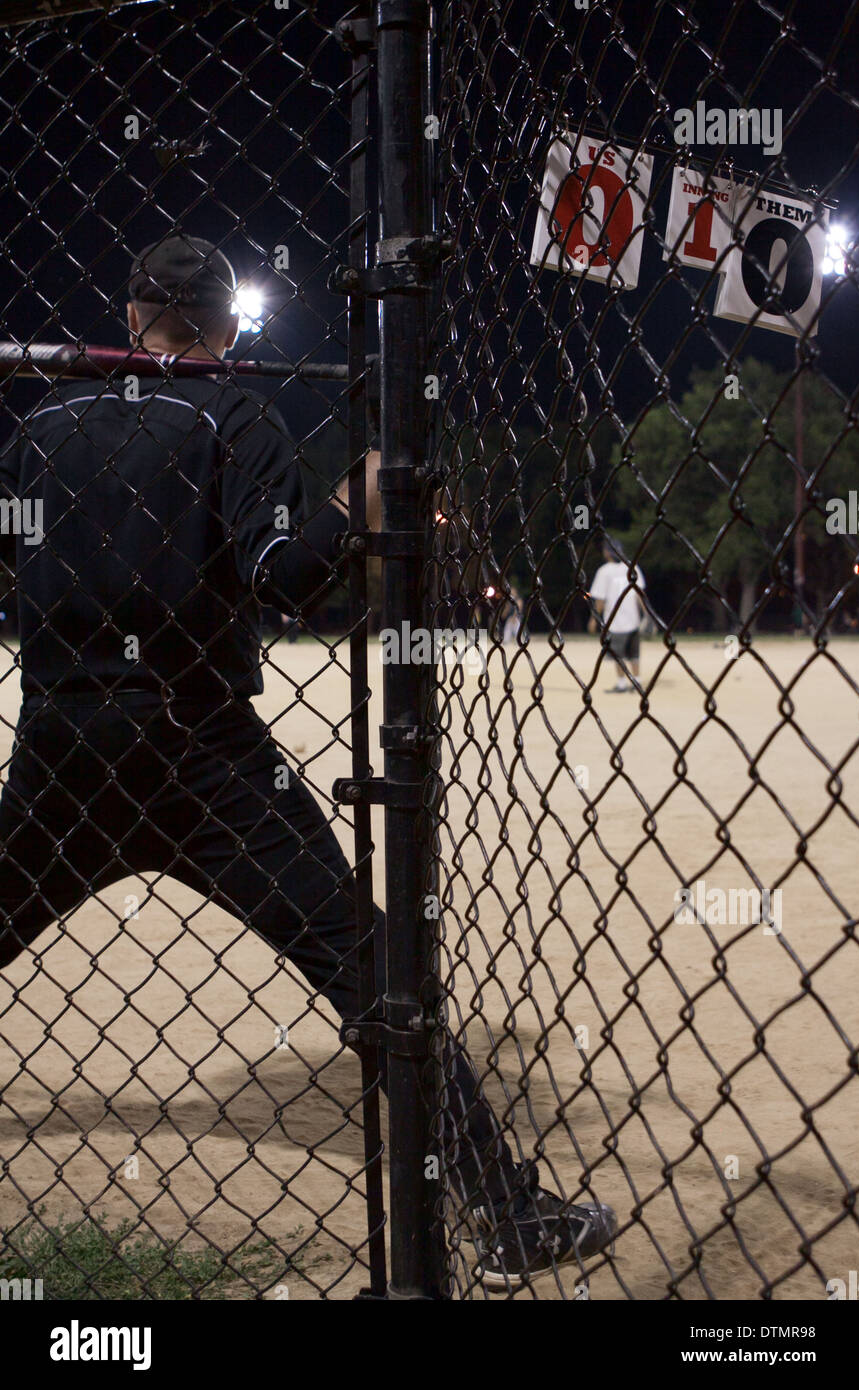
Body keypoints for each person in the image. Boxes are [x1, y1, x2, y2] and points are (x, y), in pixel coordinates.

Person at [0, 234, 615, 1289]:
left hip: (62, 744)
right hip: (204, 751)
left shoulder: (41, 424)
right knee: (371, 973)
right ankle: (502, 1212)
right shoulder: (233, 410)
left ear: (134, 311)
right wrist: (359, 498)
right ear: (229, 324)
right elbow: (286, 579)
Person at [589, 540, 647, 693]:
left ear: (608, 552)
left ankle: (622, 683)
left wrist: (594, 619)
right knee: (634, 654)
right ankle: (637, 682)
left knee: (618, 655)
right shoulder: (632, 567)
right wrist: (647, 614)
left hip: (614, 622)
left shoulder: (604, 571)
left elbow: (600, 599)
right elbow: (640, 595)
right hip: (633, 619)